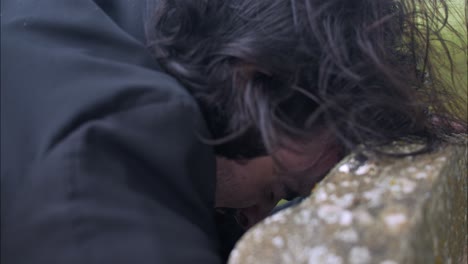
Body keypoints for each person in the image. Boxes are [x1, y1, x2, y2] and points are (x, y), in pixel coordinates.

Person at [1, 0, 465, 263]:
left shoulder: (110, 26)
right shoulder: (120, 130)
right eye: (279, 190)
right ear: (251, 80)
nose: (260, 217)